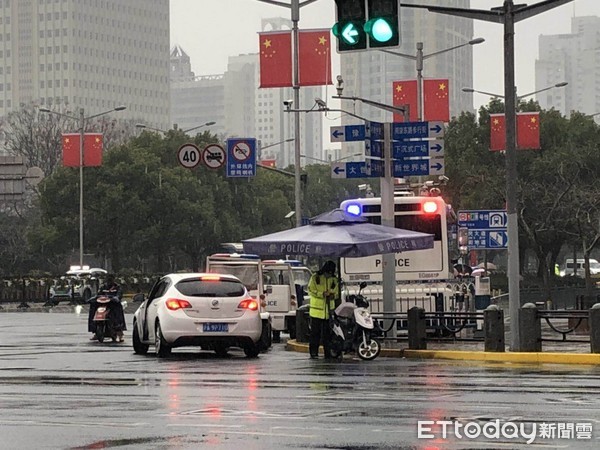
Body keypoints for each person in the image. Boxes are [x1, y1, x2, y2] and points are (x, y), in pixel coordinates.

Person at [307, 260, 339, 359]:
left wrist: (333, 295)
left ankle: (328, 353)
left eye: (330, 273)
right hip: (316, 311)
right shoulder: (315, 277)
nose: (328, 275)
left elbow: (337, 292)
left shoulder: (334, 279)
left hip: (329, 311)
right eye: (327, 273)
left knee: (327, 335)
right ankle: (313, 353)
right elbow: (310, 290)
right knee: (315, 334)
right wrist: (322, 294)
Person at [88, 275, 126, 342]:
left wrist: (116, 298)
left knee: (117, 311)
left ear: (113, 279)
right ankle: (95, 330)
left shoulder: (117, 287)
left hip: (112, 304)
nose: (109, 280)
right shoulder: (103, 287)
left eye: (111, 279)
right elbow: (99, 294)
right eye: (108, 279)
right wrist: (93, 298)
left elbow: (119, 295)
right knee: (93, 307)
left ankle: (119, 333)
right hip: (103, 303)